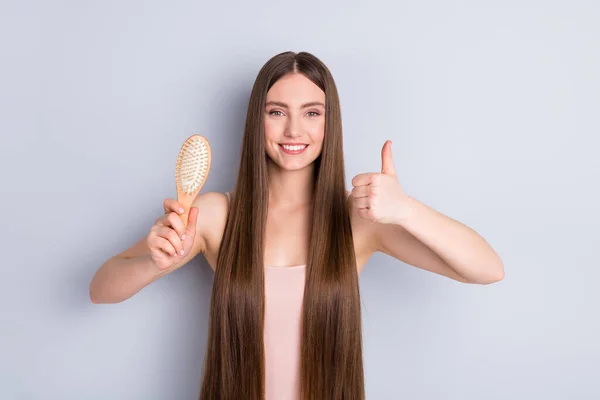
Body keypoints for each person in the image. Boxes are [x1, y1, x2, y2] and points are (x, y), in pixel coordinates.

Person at [89, 51, 504, 400]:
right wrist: (154, 262)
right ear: (258, 121)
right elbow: (101, 288)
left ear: (329, 123)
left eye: (311, 113)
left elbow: (487, 269)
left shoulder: (358, 222)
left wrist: (407, 210)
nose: (293, 130)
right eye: (276, 112)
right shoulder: (215, 215)